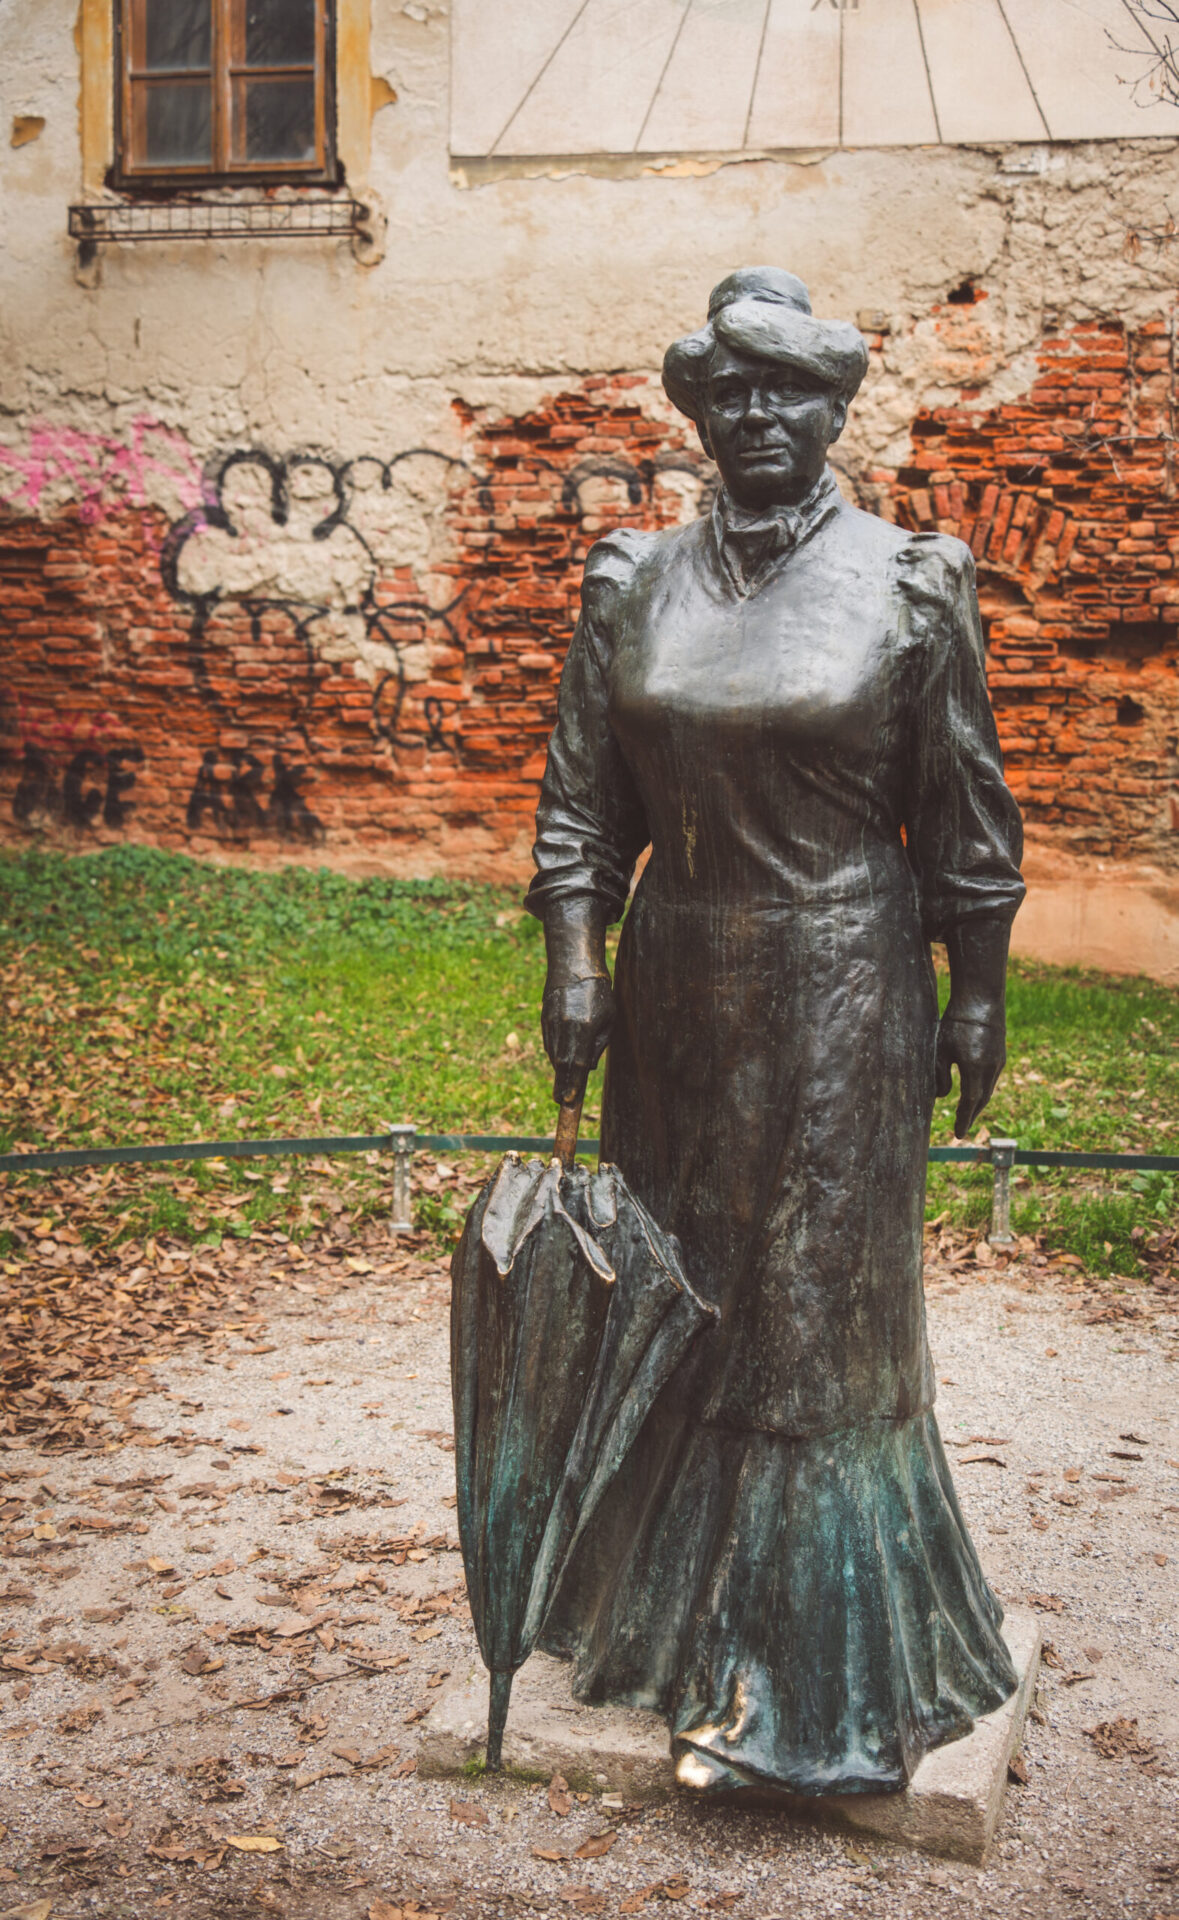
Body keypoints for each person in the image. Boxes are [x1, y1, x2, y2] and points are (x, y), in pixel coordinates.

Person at [524, 268, 1025, 1797]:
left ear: (832, 408)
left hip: (840, 990)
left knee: (813, 1326)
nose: (756, 414)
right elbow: (581, 811)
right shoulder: (634, 580)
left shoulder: (908, 580)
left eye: (787, 389)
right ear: (696, 409)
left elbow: (965, 808)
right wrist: (575, 962)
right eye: (729, 390)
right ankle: (654, 1628)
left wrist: (979, 987)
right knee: (677, 1302)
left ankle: (807, 1693)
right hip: (677, 990)